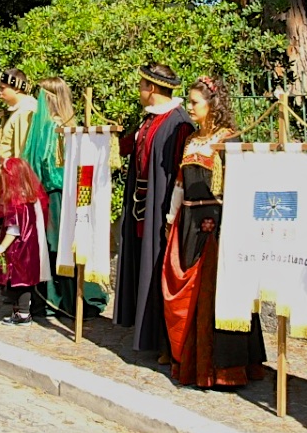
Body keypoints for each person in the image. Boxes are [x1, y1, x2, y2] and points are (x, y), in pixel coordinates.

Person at [161, 76, 266, 387]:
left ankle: (222, 370)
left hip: (219, 226)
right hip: (189, 223)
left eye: (195, 102)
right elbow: (180, 182)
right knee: (191, 293)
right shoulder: (192, 139)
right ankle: (190, 361)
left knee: (217, 293)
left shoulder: (229, 140)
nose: (190, 107)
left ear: (212, 104)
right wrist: (171, 217)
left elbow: (242, 187)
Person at [112, 64, 193, 356]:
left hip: (161, 208)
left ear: (153, 89)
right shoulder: (148, 120)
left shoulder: (179, 124)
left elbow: (177, 173)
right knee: (143, 267)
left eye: (141, 85)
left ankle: (164, 340)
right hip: (140, 205)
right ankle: (145, 331)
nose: (139, 91)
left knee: (159, 269)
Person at [21, 77, 109, 318]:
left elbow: (52, 166)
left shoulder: (57, 128)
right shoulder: (52, 126)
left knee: (58, 245)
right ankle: (52, 296)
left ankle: (62, 298)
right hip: (50, 194)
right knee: (52, 246)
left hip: (58, 196)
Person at [0, 157, 52, 325]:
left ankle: (23, 314)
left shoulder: (17, 201)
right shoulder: (31, 197)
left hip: (20, 247)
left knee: (18, 280)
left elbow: (14, 228)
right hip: (30, 244)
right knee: (23, 279)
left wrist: (1, 247)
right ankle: (20, 311)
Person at [0, 69, 37, 162]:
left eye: (2, 88)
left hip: (15, 173)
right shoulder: (18, 111)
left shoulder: (26, 111)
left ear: (16, 88)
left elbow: (22, 153)